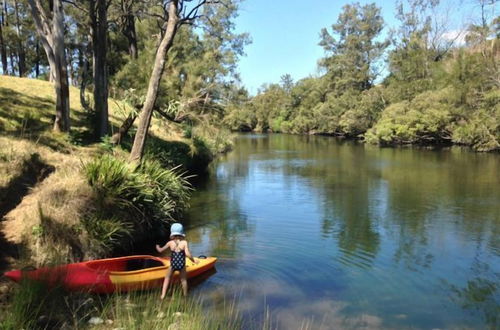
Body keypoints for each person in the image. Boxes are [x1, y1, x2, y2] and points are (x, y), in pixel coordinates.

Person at [156, 223, 197, 298]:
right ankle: (185, 295)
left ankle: (163, 295)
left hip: (173, 265)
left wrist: (157, 247)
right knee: (183, 280)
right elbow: (187, 254)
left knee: (167, 278)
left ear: (172, 233)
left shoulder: (170, 243)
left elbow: (160, 250)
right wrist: (193, 261)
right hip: (181, 265)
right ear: (181, 233)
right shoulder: (184, 242)